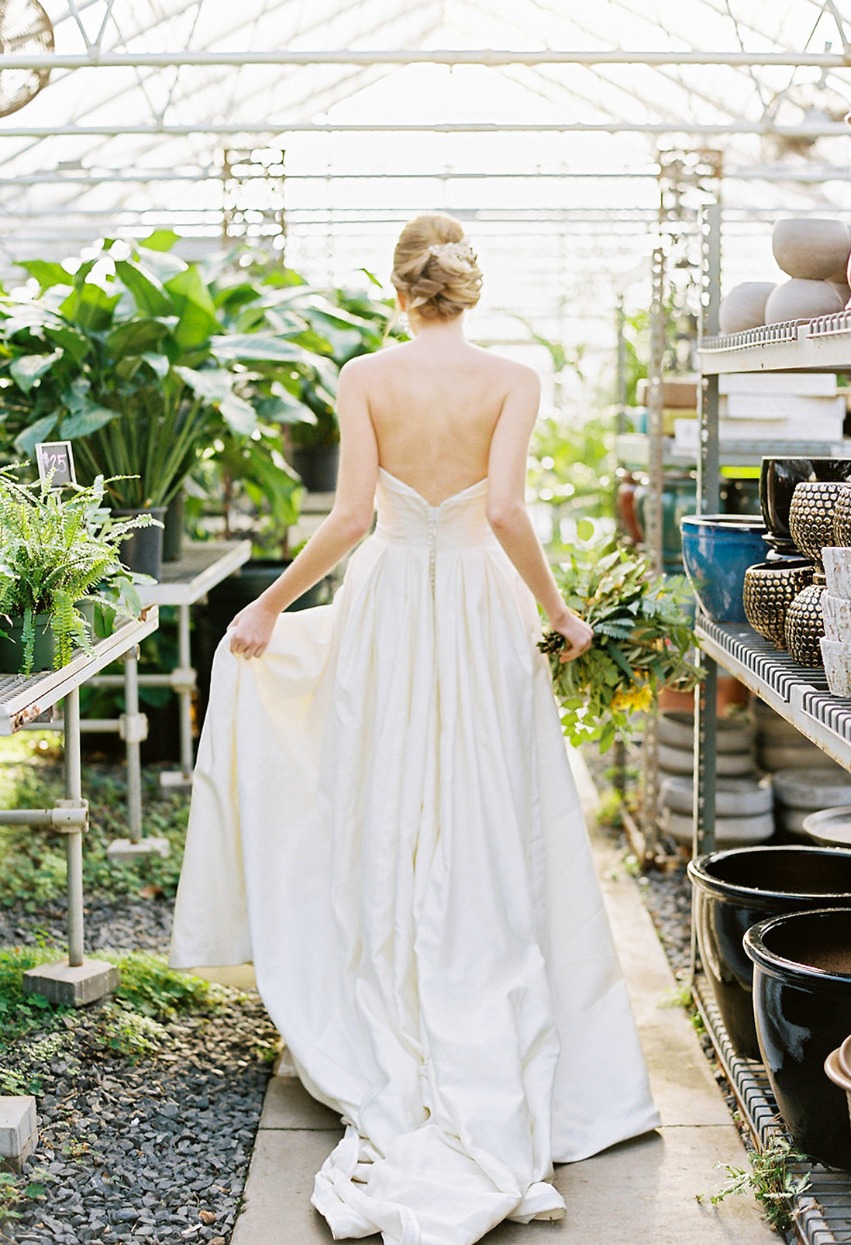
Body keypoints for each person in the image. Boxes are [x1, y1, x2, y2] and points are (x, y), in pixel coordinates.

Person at [170, 213, 659, 1245]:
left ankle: (386, 990)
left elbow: (350, 519)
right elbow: (512, 512)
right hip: (480, 603)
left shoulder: (364, 374)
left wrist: (267, 606)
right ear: (469, 291)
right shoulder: (513, 379)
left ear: (399, 290)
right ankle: (487, 991)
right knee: (490, 798)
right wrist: (561, 614)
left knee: (384, 789)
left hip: (390, 600)